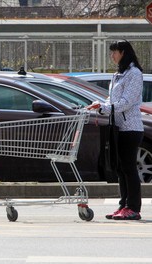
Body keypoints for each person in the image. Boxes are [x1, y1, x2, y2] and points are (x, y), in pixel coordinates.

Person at [87, 40, 144, 220]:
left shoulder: (134, 73)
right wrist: (100, 105)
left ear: (124, 53)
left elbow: (126, 102)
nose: (112, 56)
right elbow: (113, 100)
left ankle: (133, 207)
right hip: (118, 127)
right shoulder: (118, 74)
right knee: (120, 168)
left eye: (115, 52)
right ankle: (123, 205)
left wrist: (105, 108)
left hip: (131, 127)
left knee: (128, 168)